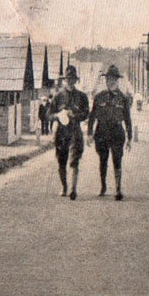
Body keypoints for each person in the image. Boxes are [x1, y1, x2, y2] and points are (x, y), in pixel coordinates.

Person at [87, 65, 133, 201]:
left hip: (117, 132)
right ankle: (103, 186)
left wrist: (130, 138)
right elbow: (92, 116)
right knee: (103, 160)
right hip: (101, 132)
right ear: (105, 80)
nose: (111, 81)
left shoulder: (123, 98)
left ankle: (118, 189)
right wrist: (89, 134)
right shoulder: (99, 97)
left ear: (117, 80)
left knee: (117, 159)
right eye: (108, 78)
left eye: (113, 79)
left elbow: (128, 119)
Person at [48, 65, 90, 200]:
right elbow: (48, 114)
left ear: (76, 80)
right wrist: (58, 115)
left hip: (75, 131)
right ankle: (64, 187)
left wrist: (75, 115)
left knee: (74, 160)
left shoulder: (82, 96)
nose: (70, 81)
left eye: (72, 79)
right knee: (61, 161)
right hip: (61, 132)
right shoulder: (58, 96)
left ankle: (73, 189)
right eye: (68, 79)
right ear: (64, 80)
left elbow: (86, 113)